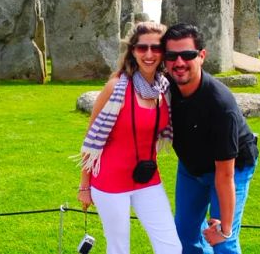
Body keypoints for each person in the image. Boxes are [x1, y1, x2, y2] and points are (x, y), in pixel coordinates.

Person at [76, 21, 182, 254]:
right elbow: (92, 139)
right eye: (142, 47)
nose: (149, 54)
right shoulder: (115, 87)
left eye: (156, 48)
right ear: (132, 51)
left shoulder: (164, 89)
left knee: (171, 246)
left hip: (148, 178)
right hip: (111, 181)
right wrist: (85, 186)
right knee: (119, 248)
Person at [161, 23, 259, 254]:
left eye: (188, 55)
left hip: (232, 169)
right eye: (171, 56)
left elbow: (225, 175)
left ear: (202, 56)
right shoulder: (164, 86)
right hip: (191, 167)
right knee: (184, 236)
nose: (179, 62)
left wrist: (224, 227)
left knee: (223, 240)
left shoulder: (220, 105)